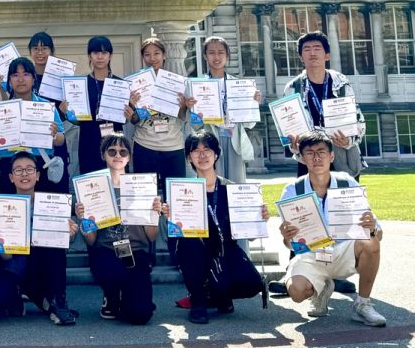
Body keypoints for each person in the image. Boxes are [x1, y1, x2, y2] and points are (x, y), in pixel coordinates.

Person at [279, 130, 386, 327]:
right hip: (312, 254)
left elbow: (377, 232)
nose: (316, 158)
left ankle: (363, 304)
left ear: (332, 156)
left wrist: (372, 228)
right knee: (296, 292)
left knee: (371, 242)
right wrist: (287, 237)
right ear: (302, 158)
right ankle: (322, 289)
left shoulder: (347, 183)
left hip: (343, 251)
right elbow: (290, 245)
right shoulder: (293, 189)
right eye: (310, 153)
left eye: (321, 152)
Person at [164, 131, 266, 325]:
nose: (202, 155)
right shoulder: (182, 191)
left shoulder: (233, 189)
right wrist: (171, 216)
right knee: (190, 246)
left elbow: (250, 235)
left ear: (216, 154)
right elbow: (176, 233)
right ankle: (198, 302)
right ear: (189, 157)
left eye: (207, 150)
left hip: (225, 249)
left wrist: (258, 219)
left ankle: (217, 295)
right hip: (196, 250)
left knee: (253, 283)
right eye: (196, 151)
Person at [0, 152, 79, 325]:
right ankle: (30, 297)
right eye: (18, 170)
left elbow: (60, 250)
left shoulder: (51, 205)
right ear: (11, 177)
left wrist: (65, 235)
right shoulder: (2, 207)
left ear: (37, 175)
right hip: (16, 262)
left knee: (55, 249)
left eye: (29, 169)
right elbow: (6, 257)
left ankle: (58, 301)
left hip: (42, 260)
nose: (24, 174)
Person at [77, 133, 159, 325]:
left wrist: (154, 216)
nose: (118, 155)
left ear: (129, 157)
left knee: (140, 315)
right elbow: (91, 240)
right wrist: (84, 221)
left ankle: (131, 299)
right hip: (106, 250)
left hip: (136, 251)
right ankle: (112, 296)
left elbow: (152, 237)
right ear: (103, 155)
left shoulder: (142, 186)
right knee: (115, 272)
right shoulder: (92, 188)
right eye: (112, 151)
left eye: (123, 151)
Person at [284, 32, 365, 179]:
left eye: (317, 48)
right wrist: (293, 144)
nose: (312, 53)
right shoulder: (292, 88)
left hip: (340, 154)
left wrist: (348, 140)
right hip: (308, 158)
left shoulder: (341, 83)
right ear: (301, 57)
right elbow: (288, 127)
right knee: (309, 194)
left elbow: (357, 119)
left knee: (345, 194)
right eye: (307, 49)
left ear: (327, 55)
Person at [0, 56, 69, 194]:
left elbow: (61, 139)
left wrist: (54, 135)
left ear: (34, 78)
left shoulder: (46, 106)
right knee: (11, 207)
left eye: (25, 74)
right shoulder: (2, 110)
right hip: (10, 164)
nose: (20, 79)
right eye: (15, 75)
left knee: (40, 206)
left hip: (40, 163)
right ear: (9, 80)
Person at [131, 31, 189, 196]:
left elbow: (183, 117)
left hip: (173, 145)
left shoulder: (177, 81)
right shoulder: (135, 83)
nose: (152, 58)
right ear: (143, 57)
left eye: (156, 53)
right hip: (145, 145)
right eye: (147, 54)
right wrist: (132, 107)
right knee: (146, 197)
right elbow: (134, 119)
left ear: (164, 55)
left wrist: (183, 105)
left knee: (175, 197)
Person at [197, 35, 260, 183]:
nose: (216, 57)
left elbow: (249, 123)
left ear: (227, 55)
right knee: (211, 183)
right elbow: (194, 125)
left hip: (233, 138)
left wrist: (253, 104)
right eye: (211, 53)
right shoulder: (198, 86)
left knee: (235, 184)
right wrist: (191, 107)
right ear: (205, 56)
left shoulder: (239, 85)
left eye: (221, 52)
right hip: (210, 138)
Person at [77, 37, 133, 176]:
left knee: (116, 181)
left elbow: (125, 119)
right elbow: (77, 120)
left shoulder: (121, 84)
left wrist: (128, 116)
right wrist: (69, 113)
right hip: (89, 140)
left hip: (115, 143)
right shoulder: (81, 84)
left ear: (110, 56)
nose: (100, 57)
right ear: (89, 56)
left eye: (104, 52)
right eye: (96, 52)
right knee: (91, 183)